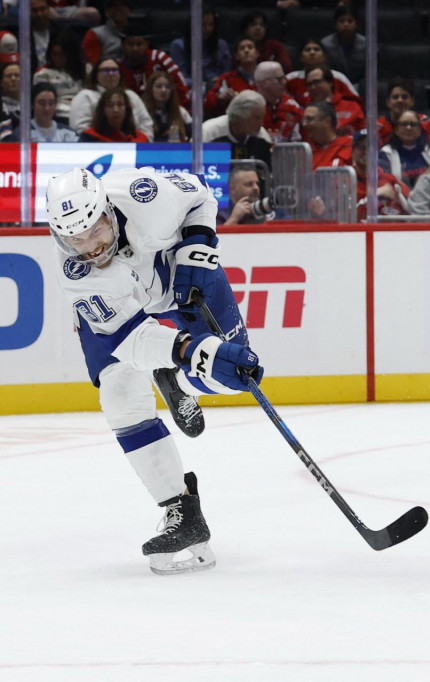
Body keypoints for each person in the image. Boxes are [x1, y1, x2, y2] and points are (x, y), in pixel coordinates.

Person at [44, 166, 263, 574]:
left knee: (233, 376)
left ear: (108, 210)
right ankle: (182, 510)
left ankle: (176, 381)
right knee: (121, 395)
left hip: (188, 278)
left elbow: (200, 194)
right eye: (74, 239)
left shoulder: (146, 194)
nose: (90, 248)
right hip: (125, 313)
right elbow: (131, 340)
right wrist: (187, 348)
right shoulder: (76, 273)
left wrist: (197, 241)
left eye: (95, 231)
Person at [68, 57, 154, 138]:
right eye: (106, 71)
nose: (111, 74)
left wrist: (142, 146)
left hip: (132, 146)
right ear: (95, 74)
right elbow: (79, 128)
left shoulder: (131, 95)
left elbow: (146, 124)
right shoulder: (85, 96)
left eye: (115, 70)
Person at [118, 23, 190, 111]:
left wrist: (182, 113)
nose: (135, 49)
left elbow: (181, 87)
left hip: (164, 112)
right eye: (130, 44)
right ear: (122, 45)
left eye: (139, 44)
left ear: (147, 44)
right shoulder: (117, 68)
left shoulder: (160, 59)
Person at [202, 89, 273, 169]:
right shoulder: (208, 131)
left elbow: (267, 175)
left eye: (262, 117)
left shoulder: (262, 137)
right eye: (257, 118)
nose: (261, 123)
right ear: (239, 117)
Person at [169, 6, 233, 94]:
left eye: (211, 25)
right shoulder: (178, 45)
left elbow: (228, 74)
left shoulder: (221, 45)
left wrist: (219, 82)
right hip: (193, 89)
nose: (208, 29)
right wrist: (202, 84)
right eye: (203, 25)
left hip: (219, 88)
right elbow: (180, 78)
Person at [350, 129, 410, 221]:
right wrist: (374, 194)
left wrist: (398, 197)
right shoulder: (345, 181)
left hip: (390, 232)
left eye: (370, 147)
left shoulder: (390, 180)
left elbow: (412, 206)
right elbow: (344, 216)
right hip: (357, 233)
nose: (365, 151)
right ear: (353, 151)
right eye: (361, 147)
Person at [33, 30, 87, 126]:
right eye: (55, 54)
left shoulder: (83, 71)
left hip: (83, 113)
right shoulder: (43, 74)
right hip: (59, 116)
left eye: (62, 54)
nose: (58, 58)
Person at [203, 37, 259, 118]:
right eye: (242, 48)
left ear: (257, 53)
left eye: (250, 47)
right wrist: (220, 98)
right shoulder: (227, 78)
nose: (246, 51)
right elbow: (207, 106)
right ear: (237, 56)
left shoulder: (268, 76)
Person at [379, 109, 430, 189]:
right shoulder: (385, 153)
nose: (408, 128)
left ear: (419, 130)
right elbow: (387, 184)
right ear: (396, 130)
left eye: (413, 124)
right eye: (404, 124)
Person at [253, 61, 303, 143]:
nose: (285, 82)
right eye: (279, 79)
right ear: (264, 83)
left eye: (284, 78)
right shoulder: (249, 106)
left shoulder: (291, 106)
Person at [78, 86, 149, 142]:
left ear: (127, 109)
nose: (116, 110)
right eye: (110, 105)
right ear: (103, 109)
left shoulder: (141, 139)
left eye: (120, 105)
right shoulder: (89, 137)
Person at [321, 4, 366, 86]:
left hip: (360, 86)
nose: (346, 24)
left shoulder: (366, 44)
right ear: (335, 24)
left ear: (356, 24)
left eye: (350, 21)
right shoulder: (325, 44)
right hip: (334, 84)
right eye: (341, 21)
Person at [142, 70, 191, 143]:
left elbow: (193, 136)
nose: (163, 90)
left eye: (167, 87)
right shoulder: (142, 112)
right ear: (150, 89)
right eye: (159, 86)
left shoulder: (181, 112)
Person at [302, 100, 352, 169]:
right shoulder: (304, 151)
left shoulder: (348, 145)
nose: (304, 124)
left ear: (327, 121)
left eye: (309, 119)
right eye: (303, 119)